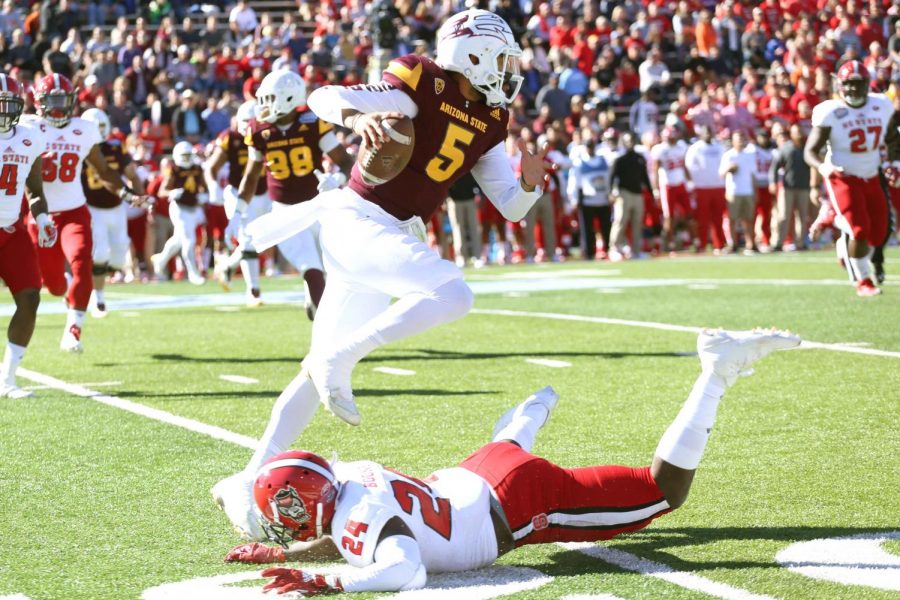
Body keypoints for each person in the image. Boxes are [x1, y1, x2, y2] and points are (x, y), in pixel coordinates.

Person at [213, 9, 547, 541]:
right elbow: (322, 97)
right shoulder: (421, 80)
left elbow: (509, 205)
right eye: (502, 59)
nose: (509, 71)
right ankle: (340, 360)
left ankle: (248, 482)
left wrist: (530, 184)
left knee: (310, 371)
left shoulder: (492, 118)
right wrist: (355, 118)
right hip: (357, 219)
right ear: (473, 53)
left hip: (391, 236)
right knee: (452, 293)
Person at [224, 328, 801, 595]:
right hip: (480, 469)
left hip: (520, 505)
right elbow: (361, 532)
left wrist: (325, 582)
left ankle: (714, 373)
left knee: (662, 493)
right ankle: (535, 405)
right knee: (512, 445)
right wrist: (285, 552)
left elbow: (402, 569)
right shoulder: (348, 478)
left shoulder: (357, 522)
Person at [26, 73, 142, 353]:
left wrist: (127, 193)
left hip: (74, 210)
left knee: (81, 261)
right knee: (53, 285)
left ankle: (74, 328)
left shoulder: (84, 129)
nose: (57, 106)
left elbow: (102, 171)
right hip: (40, 212)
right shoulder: (27, 127)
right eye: (52, 100)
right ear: (40, 102)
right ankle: (68, 294)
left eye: (62, 100)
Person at [227, 70, 351, 318]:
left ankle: (318, 307)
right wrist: (238, 211)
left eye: (269, 99)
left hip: (320, 207)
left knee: (333, 270)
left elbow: (346, 163)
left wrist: (336, 179)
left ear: (289, 98)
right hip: (286, 212)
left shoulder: (311, 123)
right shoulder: (260, 130)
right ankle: (326, 328)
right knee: (312, 270)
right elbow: (251, 175)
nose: (263, 106)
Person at [804, 60, 896, 297]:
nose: (853, 89)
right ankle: (863, 281)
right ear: (840, 85)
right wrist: (822, 167)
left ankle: (835, 218)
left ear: (867, 84)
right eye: (848, 84)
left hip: (872, 175)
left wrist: (894, 163)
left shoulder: (881, 105)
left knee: (879, 233)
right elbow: (810, 151)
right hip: (842, 176)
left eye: (858, 83)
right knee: (860, 230)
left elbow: (894, 137)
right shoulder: (831, 112)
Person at [0, 74, 57, 397]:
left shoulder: (30, 137)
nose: (4, 113)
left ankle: (7, 379)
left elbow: (34, 189)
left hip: (12, 229)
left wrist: (44, 217)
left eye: (9, 106)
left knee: (31, 297)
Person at [81, 108, 144, 318]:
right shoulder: (80, 148)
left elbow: (131, 173)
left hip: (116, 206)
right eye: (93, 127)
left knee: (118, 257)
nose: (98, 130)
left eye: (100, 126)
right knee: (99, 253)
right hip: (92, 208)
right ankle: (98, 297)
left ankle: (93, 278)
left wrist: (140, 194)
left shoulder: (116, 147)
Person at [206, 101, 270, 306]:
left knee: (262, 239)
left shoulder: (268, 134)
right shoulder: (230, 138)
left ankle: (227, 265)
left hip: (263, 191)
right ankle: (254, 290)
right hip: (237, 193)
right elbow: (211, 167)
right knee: (247, 239)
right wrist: (212, 187)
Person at [151, 142, 208, 285]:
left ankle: (161, 259)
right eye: (184, 155)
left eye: (189, 155)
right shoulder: (174, 170)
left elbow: (204, 187)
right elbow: (161, 192)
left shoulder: (197, 168)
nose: (187, 158)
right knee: (189, 240)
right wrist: (172, 192)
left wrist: (204, 195)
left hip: (193, 208)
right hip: (179, 208)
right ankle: (193, 273)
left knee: (179, 239)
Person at [568, 128, 612, 260]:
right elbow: (574, 182)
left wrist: (610, 194)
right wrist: (574, 199)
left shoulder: (603, 160)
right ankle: (589, 253)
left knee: (606, 227)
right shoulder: (579, 162)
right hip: (587, 200)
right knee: (587, 229)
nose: (590, 149)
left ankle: (608, 250)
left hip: (603, 199)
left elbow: (609, 178)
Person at [608, 131, 652, 260]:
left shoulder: (639, 158)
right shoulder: (619, 159)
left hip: (638, 194)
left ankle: (636, 251)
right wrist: (611, 192)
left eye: (632, 140)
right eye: (627, 140)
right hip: (624, 194)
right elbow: (611, 177)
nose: (630, 143)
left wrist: (650, 192)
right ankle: (614, 248)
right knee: (620, 221)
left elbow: (645, 177)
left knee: (637, 223)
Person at [684, 125, 727, 253]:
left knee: (718, 218)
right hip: (701, 187)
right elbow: (688, 167)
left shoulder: (719, 147)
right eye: (705, 132)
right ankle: (701, 245)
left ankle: (719, 244)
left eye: (710, 132)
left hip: (718, 186)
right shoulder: (695, 148)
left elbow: (724, 165)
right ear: (701, 134)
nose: (708, 134)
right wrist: (691, 184)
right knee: (702, 218)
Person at [769, 124, 811, 252]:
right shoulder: (786, 148)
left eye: (799, 131)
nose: (798, 133)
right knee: (783, 216)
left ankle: (800, 242)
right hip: (788, 187)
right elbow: (775, 166)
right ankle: (777, 242)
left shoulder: (807, 148)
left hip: (804, 186)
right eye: (795, 131)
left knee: (802, 216)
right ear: (791, 134)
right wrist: (773, 182)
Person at [650, 127, 693, 252]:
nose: (671, 139)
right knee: (669, 216)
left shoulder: (681, 146)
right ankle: (670, 242)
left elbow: (684, 166)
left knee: (688, 213)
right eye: (669, 137)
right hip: (667, 185)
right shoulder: (659, 149)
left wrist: (690, 183)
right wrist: (656, 189)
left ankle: (685, 238)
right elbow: (656, 171)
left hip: (681, 183)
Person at [719, 131, 759, 254]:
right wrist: (729, 168)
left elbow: (753, 175)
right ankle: (733, 244)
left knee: (748, 219)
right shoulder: (728, 155)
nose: (741, 141)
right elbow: (721, 174)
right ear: (733, 141)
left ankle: (750, 243)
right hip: (734, 191)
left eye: (743, 138)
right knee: (733, 219)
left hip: (747, 191)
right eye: (739, 139)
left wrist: (755, 191)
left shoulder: (750, 154)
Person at [445, 171, 482, 268]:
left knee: (474, 228)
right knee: (457, 229)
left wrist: (477, 192)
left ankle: (477, 257)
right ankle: (461, 257)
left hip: (470, 198)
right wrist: (448, 196)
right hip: (454, 200)